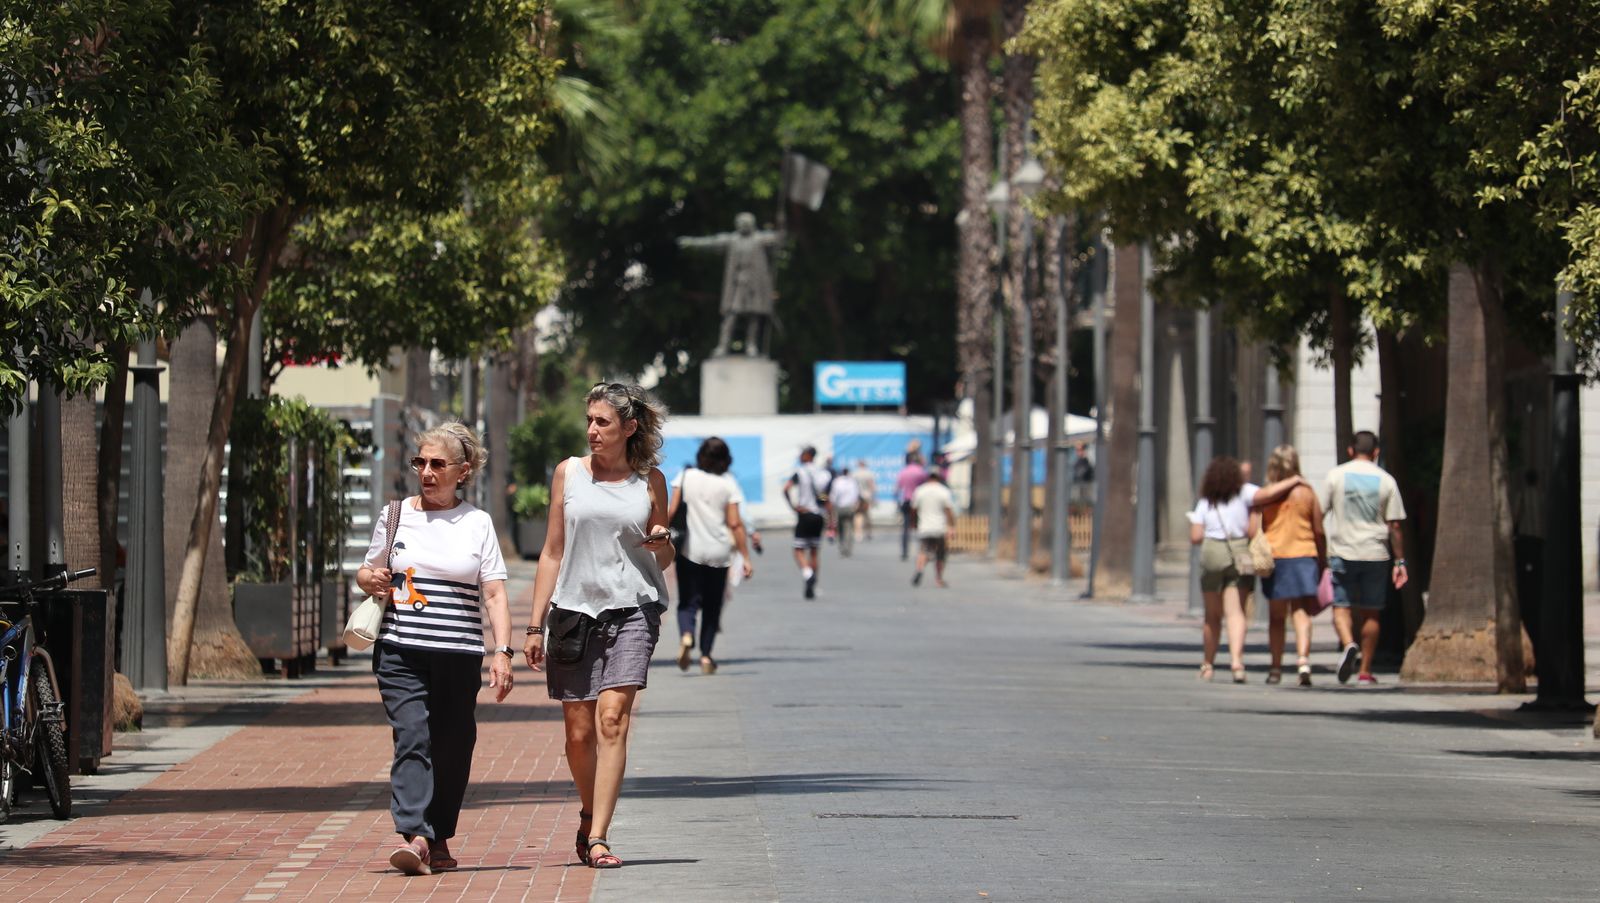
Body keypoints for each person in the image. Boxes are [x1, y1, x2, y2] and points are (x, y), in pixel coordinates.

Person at [522, 382, 675, 869]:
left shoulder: (650, 482)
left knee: (613, 718)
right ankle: (589, 812)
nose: (592, 430)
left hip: (633, 608)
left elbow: (665, 555)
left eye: (602, 422)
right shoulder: (568, 474)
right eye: (589, 420)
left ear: (629, 428)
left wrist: (661, 540)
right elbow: (552, 550)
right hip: (572, 613)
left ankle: (600, 837)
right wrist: (532, 625)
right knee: (578, 733)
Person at [356, 421, 514, 876]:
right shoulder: (394, 516)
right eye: (419, 462)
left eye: (437, 464)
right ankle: (417, 834)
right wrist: (371, 579)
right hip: (400, 651)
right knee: (413, 737)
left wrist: (502, 652)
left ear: (461, 471)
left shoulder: (477, 523)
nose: (426, 472)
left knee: (453, 744)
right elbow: (366, 573)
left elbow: (496, 594)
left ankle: (438, 835)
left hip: (459, 654)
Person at [1321, 430, 1408, 686]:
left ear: (1350, 450)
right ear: (1376, 452)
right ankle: (1365, 671)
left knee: (1341, 606)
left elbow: (1320, 512)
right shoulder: (1387, 480)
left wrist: (1320, 546)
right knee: (1372, 612)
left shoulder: (1335, 476)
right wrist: (1400, 562)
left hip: (1342, 550)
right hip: (1375, 553)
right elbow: (1394, 526)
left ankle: (1349, 643)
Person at [667, 437, 754, 675]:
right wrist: (745, 557)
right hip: (719, 552)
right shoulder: (728, 484)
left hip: (689, 550)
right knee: (713, 605)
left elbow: (672, 511)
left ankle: (686, 634)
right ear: (726, 460)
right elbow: (735, 524)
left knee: (687, 601)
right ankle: (706, 656)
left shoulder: (685, 477)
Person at [1253, 445, 1326, 686]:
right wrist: (1323, 557)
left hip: (1277, 556)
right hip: (1305, 553)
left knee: (1276, 617)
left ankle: (1275, 668)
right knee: (1301, 610)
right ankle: (1303, 660)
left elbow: (1257, 507)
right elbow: (1318, 528)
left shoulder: (1268, 493)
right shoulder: (1307, 492)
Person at [1188, 456, 1257, 683]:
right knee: (1236, 611)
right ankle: (1237, 662)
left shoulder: (1206, 502)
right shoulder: (1245, 495)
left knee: (1212, 615)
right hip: (1239, 553)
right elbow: (1252, 530)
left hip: (1212, 554)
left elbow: (1196, 536)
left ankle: (1208, 664)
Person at [783, 445, 833, 598]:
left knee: (798, 550)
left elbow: (786, 489)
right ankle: (812, 583)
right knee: (814, 551)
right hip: (819, 515)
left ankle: (807, 573)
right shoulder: (823, 474)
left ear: (808, 456)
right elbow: (824, 497)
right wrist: (829, 517)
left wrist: (793, 506)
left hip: (805, 514)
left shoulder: (800, 472)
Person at [910, 470, 956, 587]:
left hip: (924, 526)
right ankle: (939, 578)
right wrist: (951, 527)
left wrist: (914, 523)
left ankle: (920, 569)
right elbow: (948, 510)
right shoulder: (943, 491)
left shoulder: (920, 490)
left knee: (923, 550)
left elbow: (914, 509)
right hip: (939, 527)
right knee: (941, 554)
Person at [894, 452, 929, 561]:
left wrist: (897, 502)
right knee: (922, 527)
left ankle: (905, 552)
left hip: (906, 501)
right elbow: (925, 487)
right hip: (919, 502)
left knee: (905, 528)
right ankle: (923, 551)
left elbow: (897, 489)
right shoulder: (921, 472)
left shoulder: (903, 472)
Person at [828, 467, 861, 557]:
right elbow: (856, 495)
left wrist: (832, 505)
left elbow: (833, 495)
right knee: (849, 527)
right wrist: (855, 505)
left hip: (840, 507)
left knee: (840, 528)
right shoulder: (852, 482)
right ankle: (848, 548)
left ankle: (842, 547)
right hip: (850, 507)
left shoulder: (837, 481)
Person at [851, 459, 877, 540]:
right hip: (867, 496)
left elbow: (852, 486)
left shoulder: (855, 474)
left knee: (858, 515)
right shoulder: (868, 473)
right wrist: (874, 496)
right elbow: (872, 485)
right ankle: (868, 532)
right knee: (867, 515)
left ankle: (858, 533)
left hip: (857, 496)